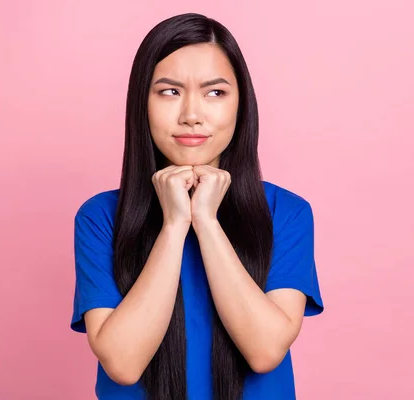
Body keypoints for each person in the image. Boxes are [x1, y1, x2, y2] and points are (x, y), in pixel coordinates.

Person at [70, 12, 324, 400]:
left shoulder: (286, 213)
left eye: (215, 92)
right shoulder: (101, 217)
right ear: (142, 102)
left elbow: (265, 350)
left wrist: (206, 220)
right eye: (169, 91)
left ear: (242, 105)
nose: (191, 115)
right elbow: (121, 363)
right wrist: (174, 225)